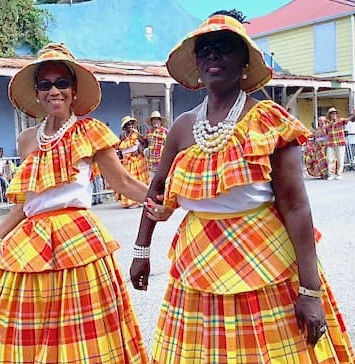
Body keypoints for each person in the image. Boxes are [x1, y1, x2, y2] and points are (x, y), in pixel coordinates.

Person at [130, 10, 354, 363]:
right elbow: (155, 189)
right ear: (197, 64)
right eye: (205, 49)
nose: (213, 55)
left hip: (263, 259)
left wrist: (310, 290)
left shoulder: (268, 121)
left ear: (244, 63)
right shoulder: (183, 127)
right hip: (197, 260)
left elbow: (296, 208)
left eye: (224, 47)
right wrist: (141, 251)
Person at [0, 42, 149, 363]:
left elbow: (122, 182)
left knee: (82, 335)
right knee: (25, 328)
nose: (55, 91)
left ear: (74, 89)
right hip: (31, 244)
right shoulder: (27, 140)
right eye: (46, 84)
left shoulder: (90, 132)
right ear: (37, 92)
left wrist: (163, 200)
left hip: (79, 243)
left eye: (62, 83)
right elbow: (25, 205)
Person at [117, 115, 150, 208]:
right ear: (124, 127)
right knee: (129, 180)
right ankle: (131, 201)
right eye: (128, 124)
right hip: (127, 161)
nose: (130, 126)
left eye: (131, 124)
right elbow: (120, 148)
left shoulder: (136, 134)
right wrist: (120, 159)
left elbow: (145, 143)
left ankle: (142, 199)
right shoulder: (122, 136)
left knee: (139, 179)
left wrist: (140, 149)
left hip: (137, 159)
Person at [323, 107, 352, 180]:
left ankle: (339, 174)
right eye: (332, 113)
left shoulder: (340, 120)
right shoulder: (327, 123)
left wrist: (353, 114)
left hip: (340, 142)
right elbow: (324, 130)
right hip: (331, 143)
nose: (334, 114)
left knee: (340, 159)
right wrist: (330, 122)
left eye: (335, 113)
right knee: (330, 159)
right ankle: (331, 174)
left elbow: (348, 119)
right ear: (329, 115)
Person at [144, 111, 169, 178]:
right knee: (152, 182)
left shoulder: (165, 131)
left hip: (161, 162)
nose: (155, 121)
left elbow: (169, 145)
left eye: (157, 119)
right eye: (154, 120)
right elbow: (145, 143)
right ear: (151, 122)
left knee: (161, 182)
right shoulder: (148, 132)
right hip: (151, 163)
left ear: (160, 121)